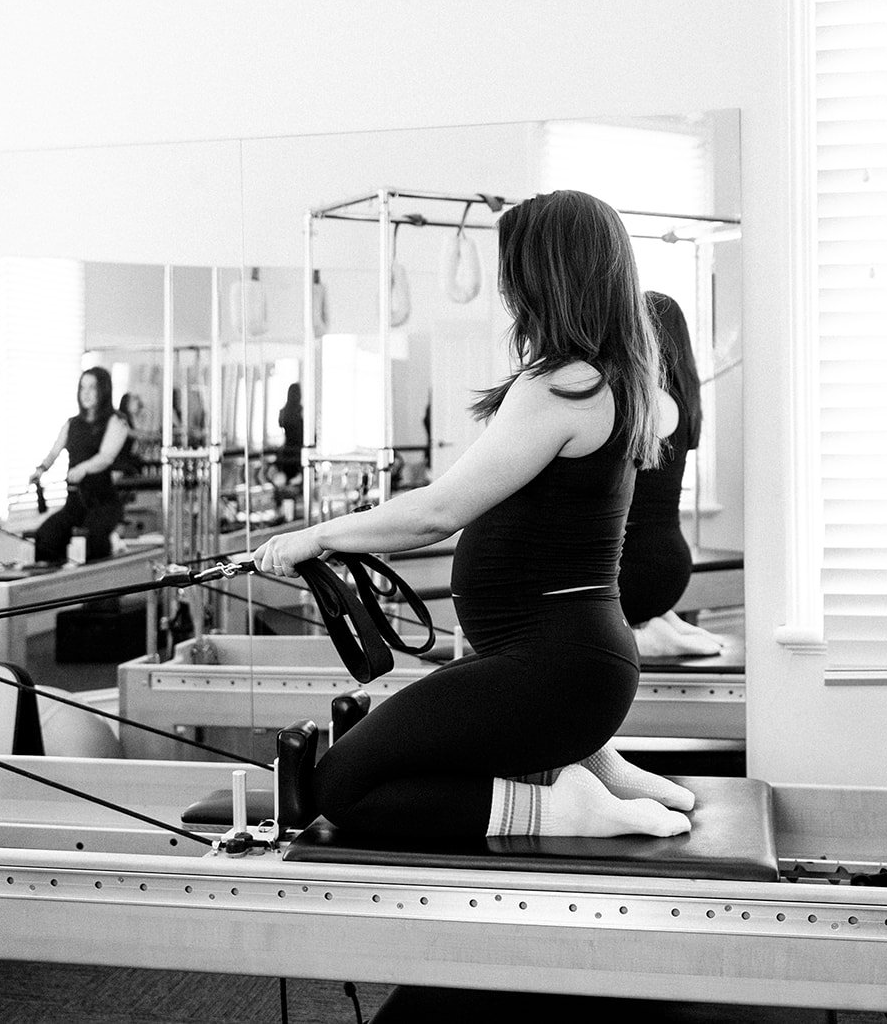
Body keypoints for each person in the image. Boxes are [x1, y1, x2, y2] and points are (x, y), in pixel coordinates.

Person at [254, 189, 693, 841]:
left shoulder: (561, 386)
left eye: (513, 267)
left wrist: (312, 537)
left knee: (342, 786)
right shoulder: (615, 379)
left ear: (547, 274)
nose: (506, 286)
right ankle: (595, 767)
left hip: (555, 667)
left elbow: (438, 512)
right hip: (572, 664)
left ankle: (565, 807)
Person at [620, 292, 729, 658]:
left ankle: (646, 633)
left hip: (640, 566)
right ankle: (656, 621)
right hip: (666, 563)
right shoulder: (680, 402)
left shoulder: (647, 401)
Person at [31, 367, 129, 565]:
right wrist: (41, 470)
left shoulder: (117, 421)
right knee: (45, 538)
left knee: (92, 541)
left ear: (104, 390)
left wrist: (83, 468)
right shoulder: (71, 424)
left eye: (92, 387)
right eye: (82, 387)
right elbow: (53, 452)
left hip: (103, 504)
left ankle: (112, 549)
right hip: (75, 505)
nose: (86, 393)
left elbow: (106, 457)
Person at [276, 382, 303, 482]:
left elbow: (281, 424)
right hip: (297, 451)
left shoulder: (283, 412)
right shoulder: (300, 411)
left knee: (288, 480)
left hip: (287, 449)